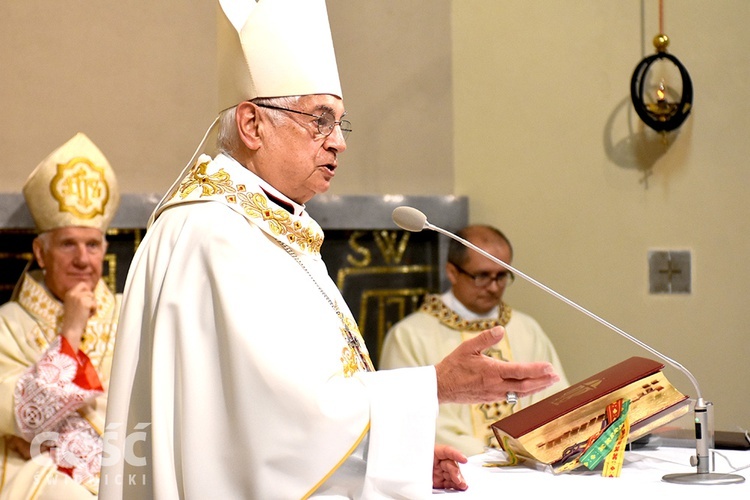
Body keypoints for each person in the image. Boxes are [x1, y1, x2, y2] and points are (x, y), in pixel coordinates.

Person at [100, 1, 560, 498]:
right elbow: (276, 416)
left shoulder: (270, 224)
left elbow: (292, 426)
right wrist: (436, 386)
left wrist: (385, 457)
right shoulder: (216, 233)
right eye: (320, 120)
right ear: (253, 125)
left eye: (340, 122)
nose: (338, 142)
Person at [0, 132, 121, 499]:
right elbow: (22, 416)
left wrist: (42, 440)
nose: (83, 260)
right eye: (68, 244)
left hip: (127, 468)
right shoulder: (8, 324)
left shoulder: (133, 310)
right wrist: (71, 329)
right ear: (40, 253)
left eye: (93, 245)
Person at [380, 225, 569, 456]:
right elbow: (408, 412)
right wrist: (490, 457)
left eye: (501, 276)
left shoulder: (526, 329)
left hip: (528, 467)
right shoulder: (409, 336)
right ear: (452, 272)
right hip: (457, 470)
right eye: (482, 276)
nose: (493, 287)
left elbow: (555, 398)